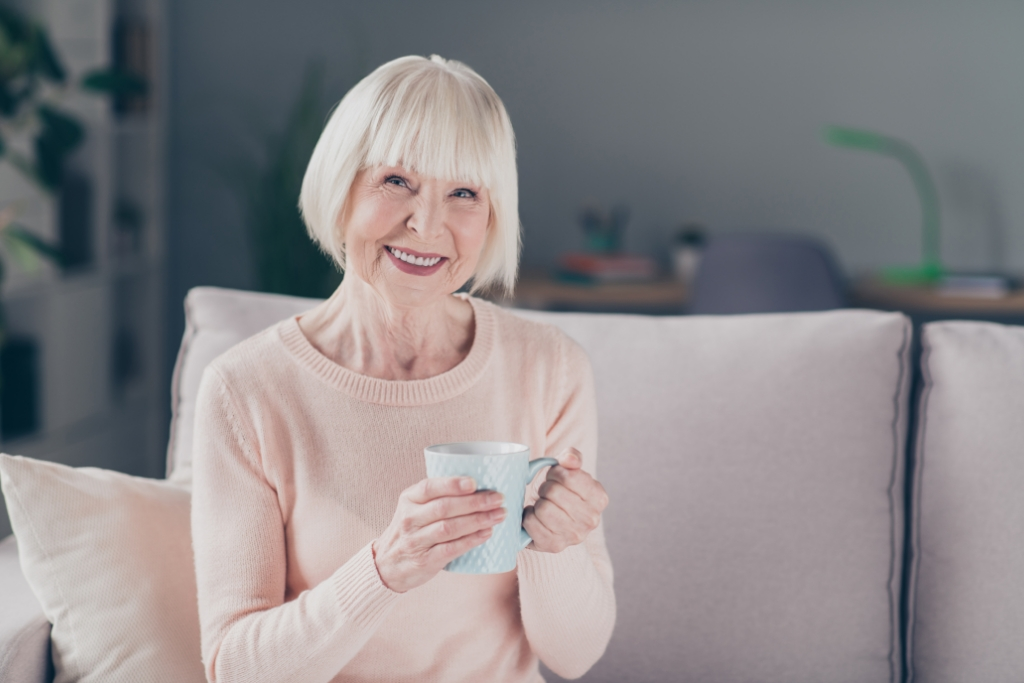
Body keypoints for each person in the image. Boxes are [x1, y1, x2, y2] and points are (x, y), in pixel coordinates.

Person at [191, 54, 615, 683]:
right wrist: (386, 569)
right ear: (340, 186)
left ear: (493, 215)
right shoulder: (245, 389)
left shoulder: (550, 367)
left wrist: (557, 545)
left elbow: (575, 656)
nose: (427, 224)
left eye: (464, 193)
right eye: (396, 181)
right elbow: (236, 668)